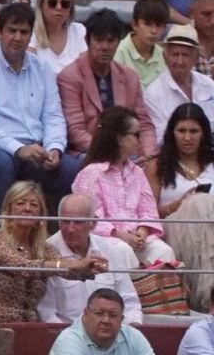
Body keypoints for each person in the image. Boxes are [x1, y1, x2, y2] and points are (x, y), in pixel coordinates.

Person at [0, 3, 77, 225]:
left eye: (24, 32)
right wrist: (17, 148)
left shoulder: (42, 69)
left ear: (31, 35)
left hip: (36, 147)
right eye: (11, 30)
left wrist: (55, 147)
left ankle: (58, 240)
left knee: (70, 168)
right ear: (0, 32)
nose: (17, 37)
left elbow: (53, 115)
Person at [0, 181, 106, 324]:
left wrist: (92, 267)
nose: (27, 208)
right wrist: (72, 264)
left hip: (30, 328)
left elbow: (67, 272)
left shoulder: (45, 248)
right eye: (20, 203)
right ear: (9, 209)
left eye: (34, 205)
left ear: (40, 213)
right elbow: (22, 267)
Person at [74, 106, 179, 269]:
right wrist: (120, 235)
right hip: (104, 240)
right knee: (123, 251)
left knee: (163, 251)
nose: (140, 140)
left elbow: (148, 211)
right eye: (136, 135)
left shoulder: (137, 172)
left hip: (138, 239)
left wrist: (142, 233)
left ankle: (156, 295)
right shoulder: (91, 174)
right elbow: (92, 220)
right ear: (119, 139)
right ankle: (132, 294)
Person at [58, 10, 157, 160]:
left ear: (118, 42)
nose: (105, 47)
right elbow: (75, 131)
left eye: (110, 41)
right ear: (87, 41)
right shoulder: (70, 76)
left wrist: (149, 156)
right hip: (89, 152)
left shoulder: (129, 76)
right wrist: (113, 153)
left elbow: (144, 125)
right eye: (99, 40)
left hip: (128, 152)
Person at [41, 287, 171, 355]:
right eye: (99, 313)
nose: (106, 320)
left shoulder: (133, 335)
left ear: (122, 319)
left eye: (113, 315)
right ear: (85, 314)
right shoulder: (69, 338)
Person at [40, 193, 145, 325]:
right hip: (67, 335)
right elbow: (47, 313)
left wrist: (132, 329)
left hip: (112, 334)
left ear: (93, 223)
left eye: (78, 222)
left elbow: (129, 302)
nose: (71, 229)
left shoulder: (112, 250)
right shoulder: (46, 253)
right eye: (65, 221)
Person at [150, 104, 214, 307]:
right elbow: (148, 213)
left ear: (204, 133)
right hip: (175, 229)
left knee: (204, 204)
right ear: (172, 133)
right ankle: (207, 297)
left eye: (194, 131)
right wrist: (181, 203)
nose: (188, 138)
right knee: (199, 203)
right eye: (182, 131)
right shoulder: (157, 166)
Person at [145, 26, 214, 139]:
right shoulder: (153, 94)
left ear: (195, 59)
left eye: (185, 55)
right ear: (164, 57)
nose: (180, 61)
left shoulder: (209, 85)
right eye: (175, 55)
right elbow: (159, 138)